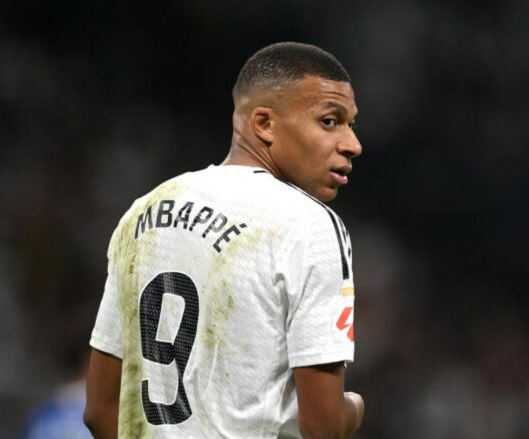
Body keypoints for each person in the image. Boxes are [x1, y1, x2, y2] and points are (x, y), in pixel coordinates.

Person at [84, 41, 364, 439]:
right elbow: (323, 426)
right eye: (330, 121)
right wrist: (355, 407)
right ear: (264, 123)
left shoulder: (143, 212)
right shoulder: (309, 224)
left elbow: (99, 411)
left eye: (351, 124)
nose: (353, 144)